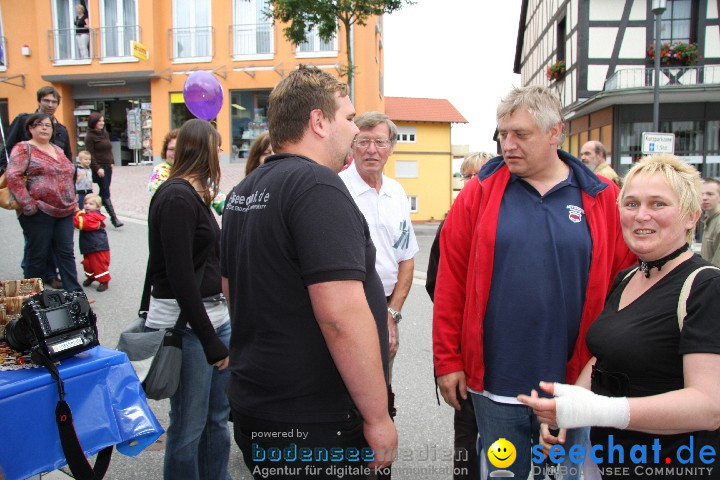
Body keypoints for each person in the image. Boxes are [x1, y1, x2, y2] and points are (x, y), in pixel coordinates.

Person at [432, 85, 635, 480]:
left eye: (520, 134)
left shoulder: (602, 198)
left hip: (572, 386)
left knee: (562, 476)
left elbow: (621, 290)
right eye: (503, 134)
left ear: (555, 132)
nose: (508, 145)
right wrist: (447, 360)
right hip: (496, 385)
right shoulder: (479, 193)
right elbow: (450, 280)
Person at [220, 65, 397, 478]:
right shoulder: (317, 186)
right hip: (315, 423)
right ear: (319, 121)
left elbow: (232, 289)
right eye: (349, 117)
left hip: (259, 408)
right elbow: (340, 317)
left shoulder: (243, 192)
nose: (355, 130)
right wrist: (376, 417)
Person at [519, 154, 720, 479]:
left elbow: (709, 406)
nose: (641, 215)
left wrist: (593, 409)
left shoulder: (705, 286)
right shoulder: (627, 278)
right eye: (631, 203)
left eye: (658, 204)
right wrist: (567, 411)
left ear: (691, 217)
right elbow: (605, 355)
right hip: (606, 461)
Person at [146, 118, 231, 480]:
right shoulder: (177, 196)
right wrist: (212, 342)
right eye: (217, 146)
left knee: (215, 420)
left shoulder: (198, 194)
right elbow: (181, 278)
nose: (221, 154)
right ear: (204, 149)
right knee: (189, 426)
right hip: (192, 329)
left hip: (214, 320)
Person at [426, 151, 494, 480]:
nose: (472, 183)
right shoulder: (452, 222)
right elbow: (436, 286)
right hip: (466, 352)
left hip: (498, 357)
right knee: (468, 438)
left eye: (479, 175)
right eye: (466, 176)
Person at [339, 111, 419, 379]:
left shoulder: (396, 192)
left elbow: (406, 258)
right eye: (363, 141)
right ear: (351, 145)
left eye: (380, 142)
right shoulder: (336, 189)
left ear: (391, 148)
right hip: (347, 306)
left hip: (386, 305)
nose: (371, 150)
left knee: (383, 384)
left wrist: (392, 314)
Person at [6, 113, 83, 293]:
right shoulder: (23, 148)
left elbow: (68, 173)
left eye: (47, 125)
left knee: (66, 254)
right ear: (30, 128)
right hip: (38, 211)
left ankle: (75, 294)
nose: (44, 128)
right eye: (39, 124)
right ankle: (30, 297)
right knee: (37, 254)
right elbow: (13, 176)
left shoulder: (57, 149)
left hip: (64, 210)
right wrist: (27, 204)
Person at [149, 129, 227, 215]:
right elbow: (172, 194)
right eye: (171, 149)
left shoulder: (192, 170)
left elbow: (214, 192)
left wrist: (225, 207)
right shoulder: (160, 171)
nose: (175, 153)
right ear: (165, 151)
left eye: (179, 149)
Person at [0, 86, 73, 175]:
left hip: (53, 181)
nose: (50, 105)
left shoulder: (61, 130)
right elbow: (7, 150)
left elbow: (67, 158)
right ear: (39, 101)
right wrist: (10, 175)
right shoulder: (23, 121)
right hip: (25, 179)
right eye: (46, 100)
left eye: (54, 102)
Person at [85, 112, 123, 227]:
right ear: (94, 122)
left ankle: (94, 214)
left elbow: (108, 149)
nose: (101, 123)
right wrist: (97, 168)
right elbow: (90, 154)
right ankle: (114, 218)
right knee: (105, 192)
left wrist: (112, 162)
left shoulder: (104, 133)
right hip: (99, 167)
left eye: (102, 120)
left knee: (103, 192)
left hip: (107, 166)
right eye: (99, 121)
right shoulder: (90, 136)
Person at [73, 193, 110, 291]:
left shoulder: (95, 217)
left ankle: (104, 281)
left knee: (99, 264)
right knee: (88, 263)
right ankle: (91, 277)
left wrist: (76, 211)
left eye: (91, 204)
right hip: (89, 245)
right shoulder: (88, 215)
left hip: (97, 246)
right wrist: (78, 211)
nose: (87, 205)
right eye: (85, 203)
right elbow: (83, 217)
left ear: (98, 207)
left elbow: (81, 223)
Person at [700, 178, 720, 266]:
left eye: (710, 194)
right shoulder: (708, 219)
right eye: (701, 194)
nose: (704, 198)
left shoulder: (718, 223)